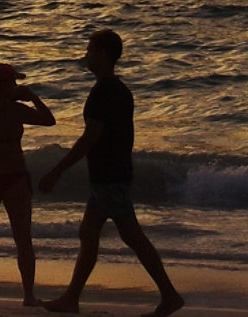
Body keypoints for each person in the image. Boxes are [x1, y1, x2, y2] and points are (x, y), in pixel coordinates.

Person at [34, 29, 178, 316]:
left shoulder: (103, 92)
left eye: (90, 50)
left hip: (110, 176)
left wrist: (57, 171)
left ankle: (169, 295)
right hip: (112, 173)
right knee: (89, 232)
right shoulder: (121, 90)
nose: (86, 56)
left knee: (131, 236)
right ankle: (72, 298)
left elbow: (91, 137)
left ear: (102, 55)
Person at [0, 63, 54, 304]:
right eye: (13, 82)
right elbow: (49, 120)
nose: (16, 86)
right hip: (14, 177)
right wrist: (33, 97)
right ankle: (28, 295)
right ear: (4, 85)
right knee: (23, 239)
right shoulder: (16, 110)